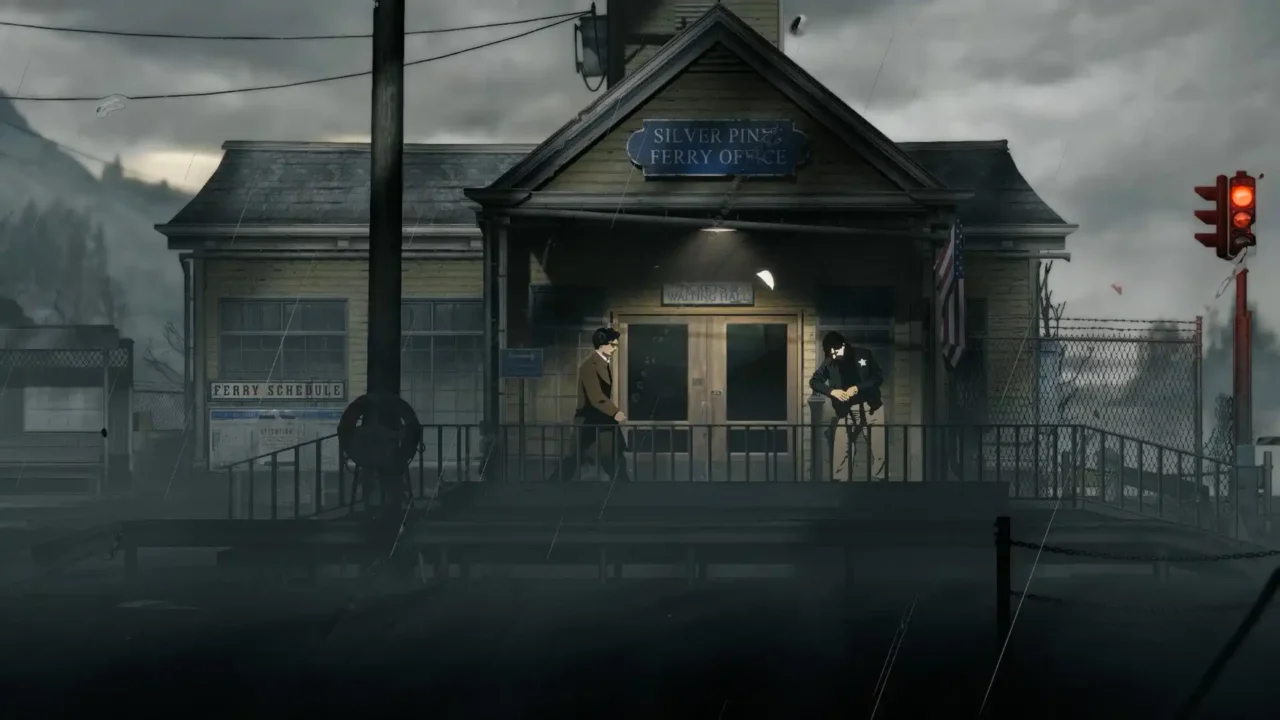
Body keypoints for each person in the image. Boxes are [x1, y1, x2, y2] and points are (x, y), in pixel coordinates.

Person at [546, 327, 631, 482]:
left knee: (608, 454)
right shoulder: (589, 367)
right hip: (591, 417)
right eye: (613, 345)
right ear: (601, 344)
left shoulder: (602, 364)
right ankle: (555, 482)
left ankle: (622, 483)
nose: (615, 348)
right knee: (583, 456)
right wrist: (615, 412)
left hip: (599, 417)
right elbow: (596, 396)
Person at [809, 331, 886, 481]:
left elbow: (878, 377)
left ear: (843, 345)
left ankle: (881, 481)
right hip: (846, 411)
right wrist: (832, 392)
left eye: (836, 350)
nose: (833, 354)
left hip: (871, 408)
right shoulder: (829, 362)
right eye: (830, 351)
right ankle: (841, 483)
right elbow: (814, 381)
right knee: (841, 448)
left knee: (878, 449)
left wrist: (858, 388)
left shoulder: (863, 355)